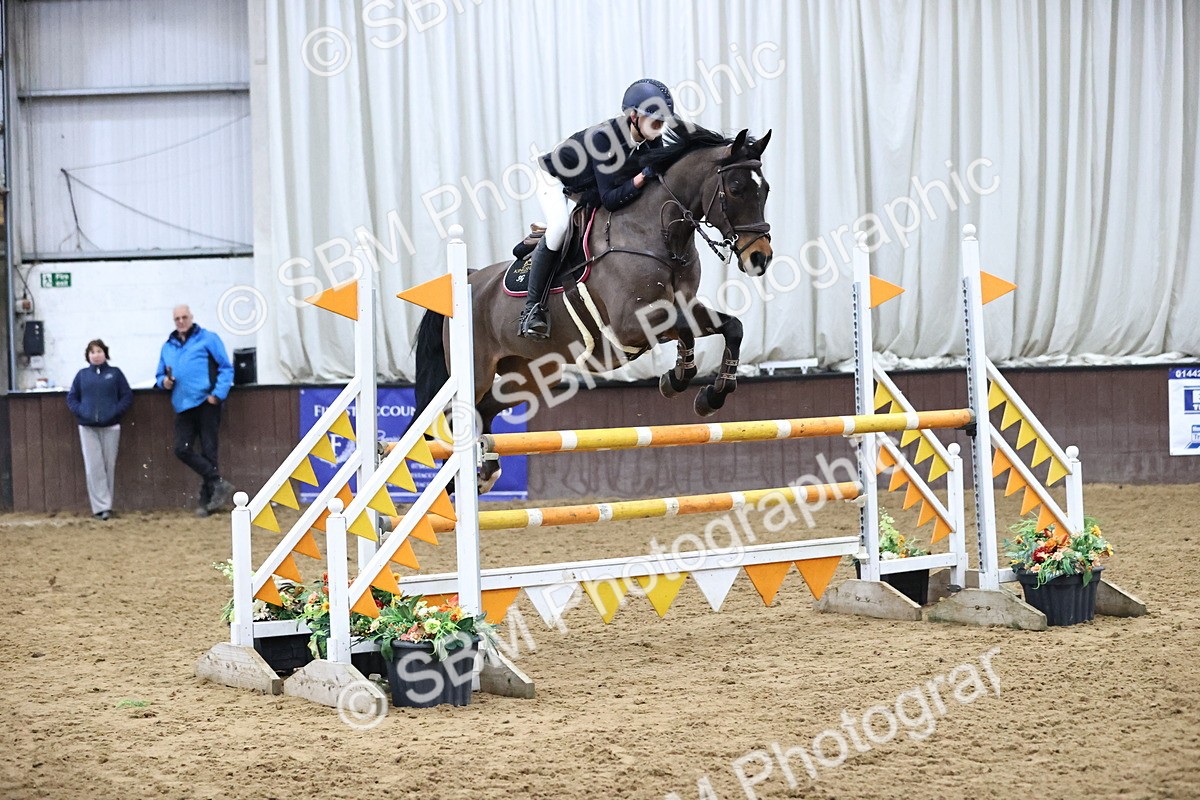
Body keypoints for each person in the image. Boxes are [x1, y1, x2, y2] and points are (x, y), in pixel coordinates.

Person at [518, 78, 676, 339]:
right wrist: (641, 177)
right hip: (556, 179)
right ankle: (532, 309)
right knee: (560, 227)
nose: (660, 127)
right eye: (654, 120)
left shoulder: (650, 141)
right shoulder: (603, 139)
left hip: (594, 186)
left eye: (663, 121)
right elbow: (611, 198)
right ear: (633, 115)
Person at [156, 305, 235, 516]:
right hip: (183, 404)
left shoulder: (208, 339)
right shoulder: (167, 347)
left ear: (191, 318)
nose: (181, 321)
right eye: (177, 319)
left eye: (184, 317)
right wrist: (164, 382)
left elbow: (226, 367)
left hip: (206, 402)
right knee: (181, 449)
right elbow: (158, 375)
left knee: (209, 451)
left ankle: (206, 501)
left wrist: (217, 394)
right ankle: (217, 483)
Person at [66, 339, 133, 520]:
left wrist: (115, 413)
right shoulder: (81, 376)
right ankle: (100, 507)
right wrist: (82, 412)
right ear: (88, 356)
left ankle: (107, 506)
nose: (96, 355)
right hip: (87, 428)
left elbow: (126, 396)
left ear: (105, 353)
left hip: (111, 426)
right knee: (93, 467)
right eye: (92, 352)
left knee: (108, 466)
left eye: (99, 351)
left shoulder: (115, 374)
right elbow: (72, 398)